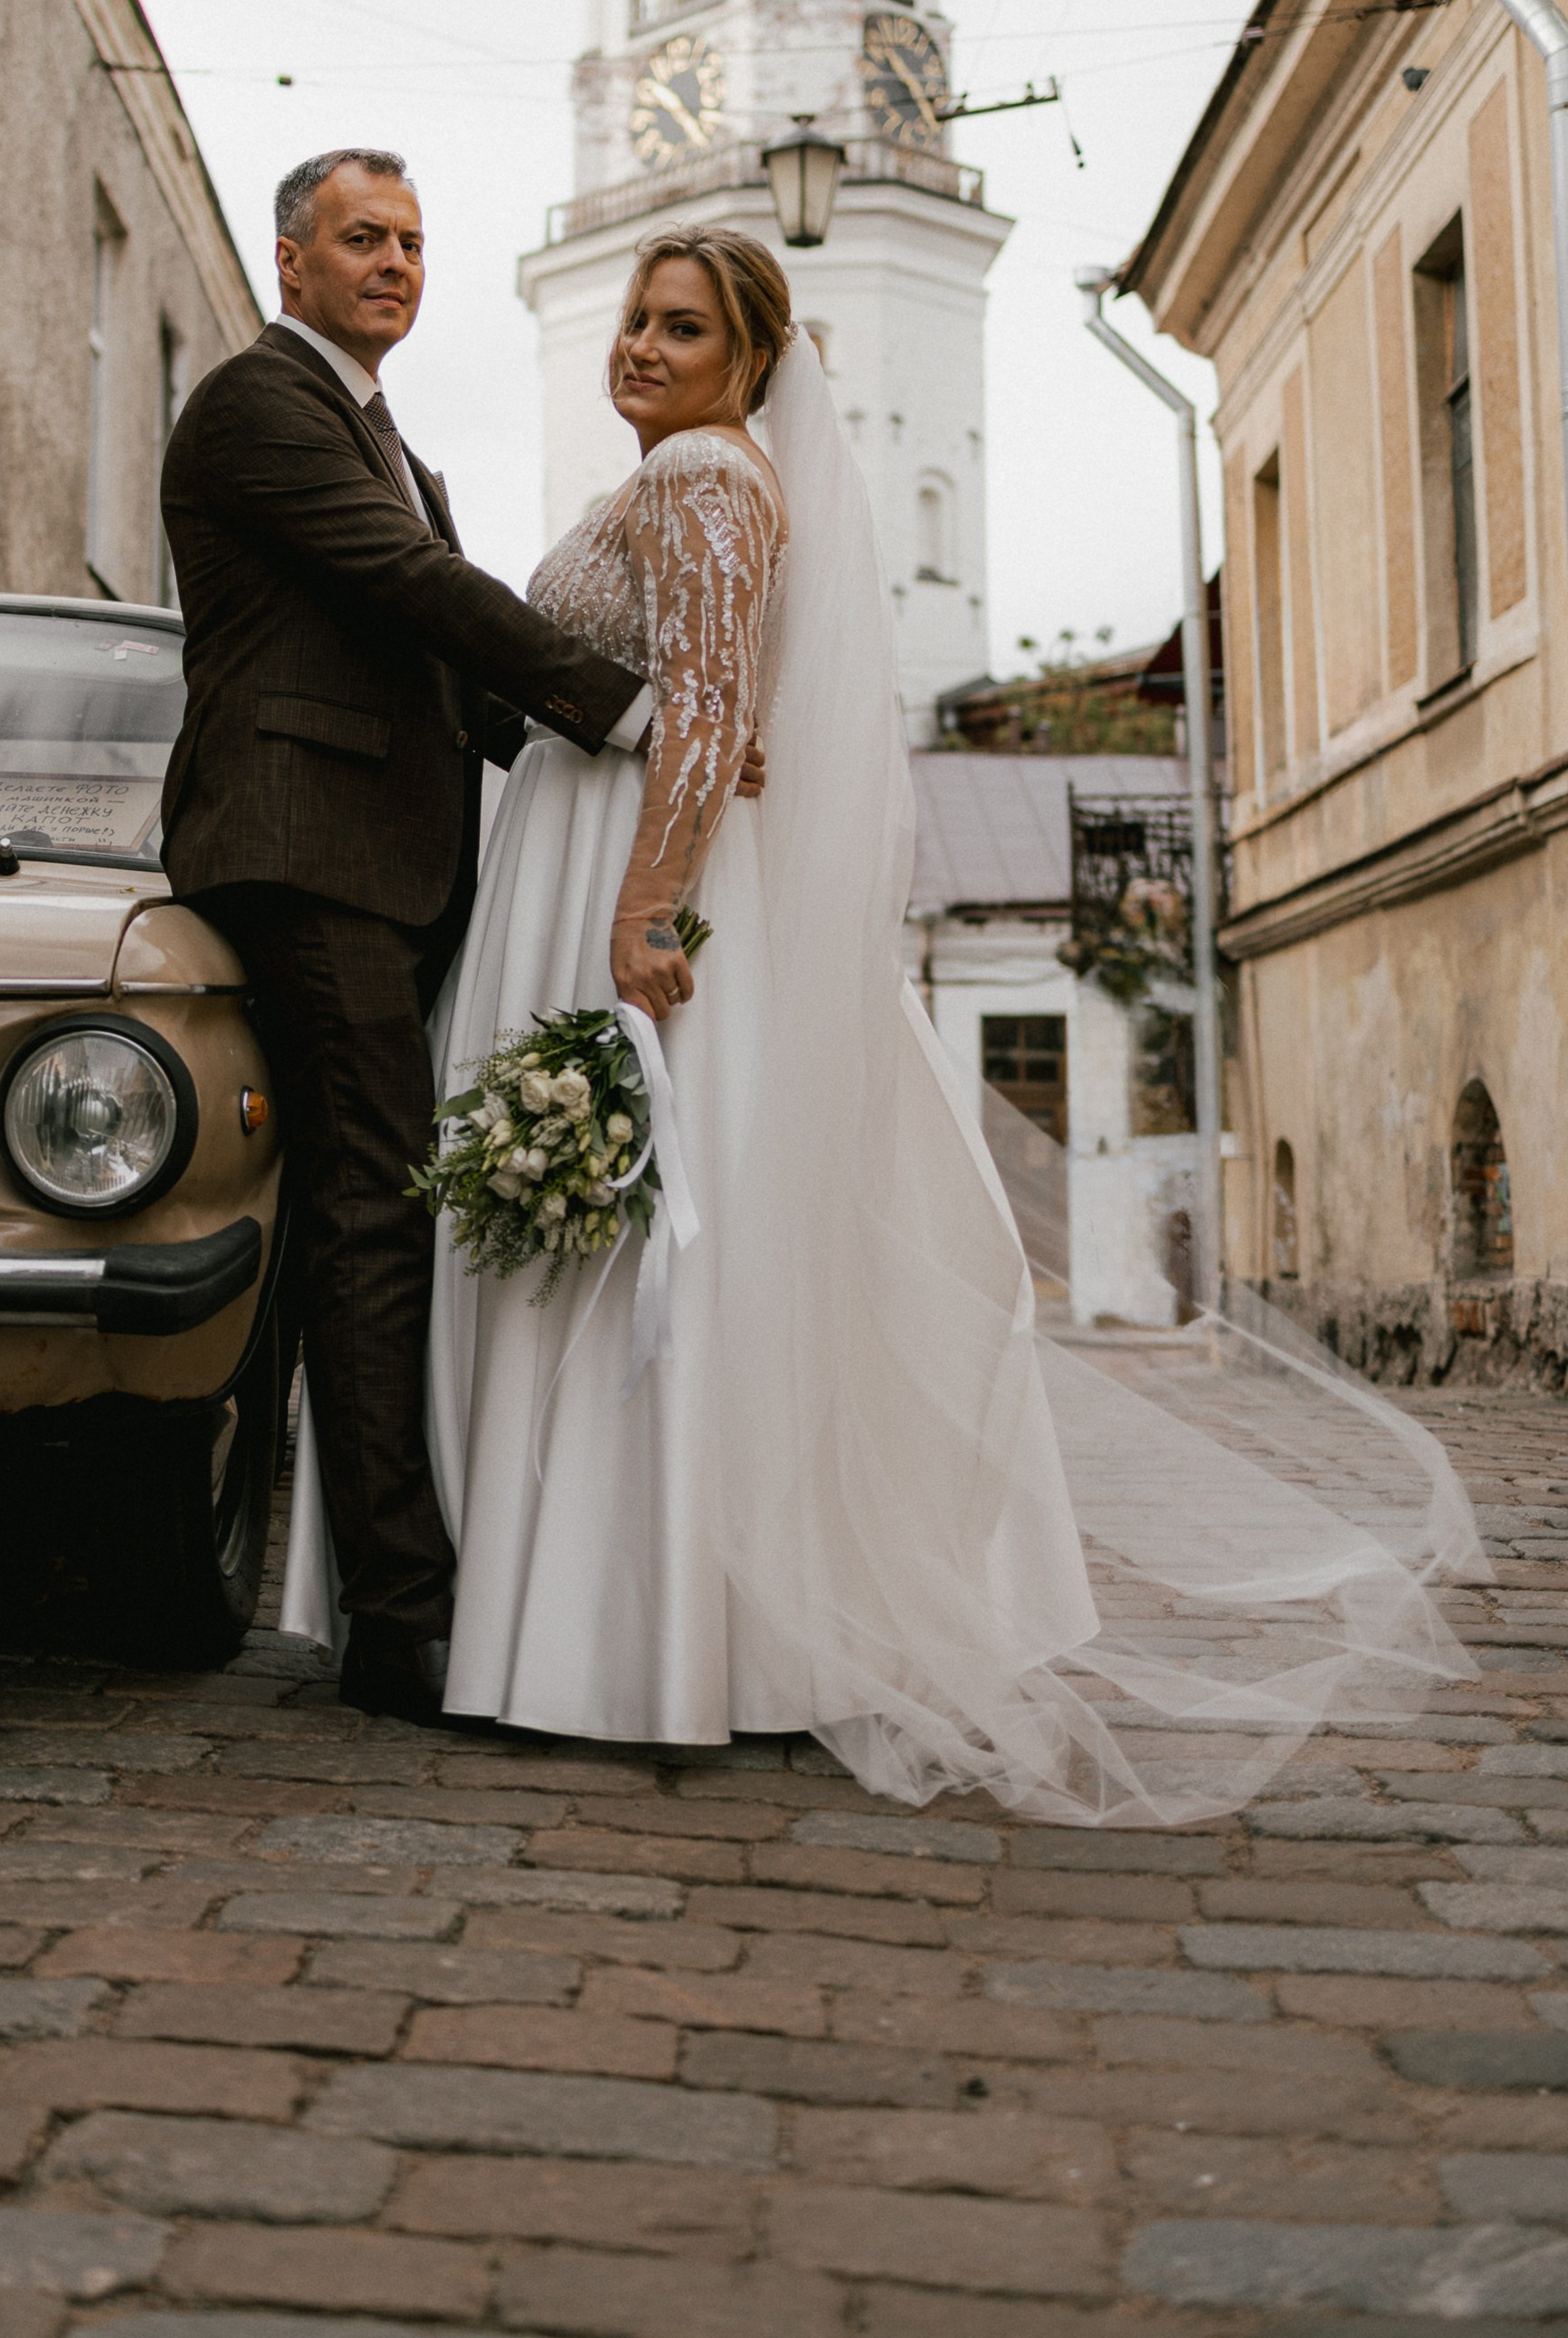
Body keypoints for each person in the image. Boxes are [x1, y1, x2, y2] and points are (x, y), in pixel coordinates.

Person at [284, 225, 1481, 1823]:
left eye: (683, 328)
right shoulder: (676, 478)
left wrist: (646, 913)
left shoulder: (709, 483)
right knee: (609, 1251)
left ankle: (645, 1640)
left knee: (642, 1254)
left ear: (752, 363)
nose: (640, 346)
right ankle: (601, 1626)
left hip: (626, 895)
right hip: (582, 865)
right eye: (635, 320)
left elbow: (708, 709)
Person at [159, 149, 650, 1729]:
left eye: (415, 243)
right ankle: (399, 1623)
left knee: (363, 1219)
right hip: (308, 857)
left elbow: (435, 674)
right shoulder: (259, 403)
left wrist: (597, 782)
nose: (395, 265)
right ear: (288, 260)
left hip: (389, 867)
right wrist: (621, 704)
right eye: (362, 240)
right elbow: (405, 585)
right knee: (373, 1213)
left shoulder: (385, 435)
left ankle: (379, 1581)